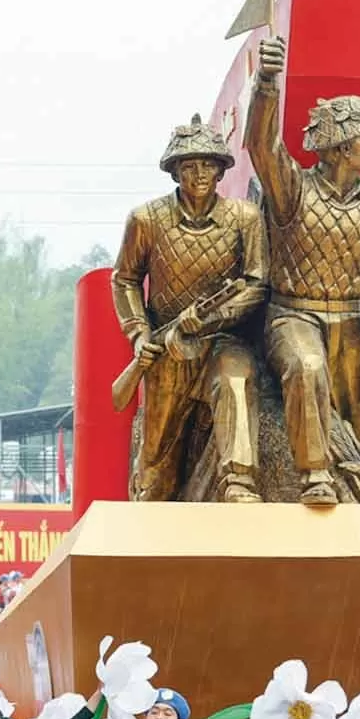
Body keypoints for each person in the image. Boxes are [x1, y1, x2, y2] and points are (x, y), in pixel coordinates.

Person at [246, 36, 360, 504]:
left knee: (356, 419)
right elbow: (261, 144)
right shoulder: (292, 189)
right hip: (294, 315)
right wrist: (267, 84)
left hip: (355, 318)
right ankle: (314, 474)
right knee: (306, 367)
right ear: (336, 147)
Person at [110, 114, 268, 503]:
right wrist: (139, 335)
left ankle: (239, 482)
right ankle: (148, 501)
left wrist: (212, 317)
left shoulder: (245, 218)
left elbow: (257, 283)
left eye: (208, 165)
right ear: (175, 171)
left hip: (221, 339)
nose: (199, 174)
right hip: (169, 343)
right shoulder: (146, 219)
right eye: (189, 166)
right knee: (156, 455)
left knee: (236, 380)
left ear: (220, 171)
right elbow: (125, 279)